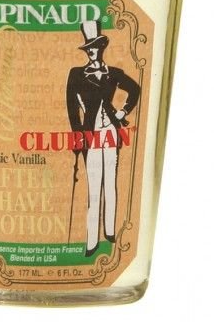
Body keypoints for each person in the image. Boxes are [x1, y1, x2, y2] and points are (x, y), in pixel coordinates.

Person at [66, 20, 141, 256]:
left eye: (95, 47)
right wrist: (78, 135)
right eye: (88, 48)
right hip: (91, 134)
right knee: (93, 187)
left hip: (111, 132)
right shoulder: (76, 74)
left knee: (111, 182)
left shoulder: (113, 74)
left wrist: (122, 112)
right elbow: (72, 109)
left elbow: (135, 89)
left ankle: (109, 231)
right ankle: (91, 241)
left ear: (101, 47)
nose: (91, 51)